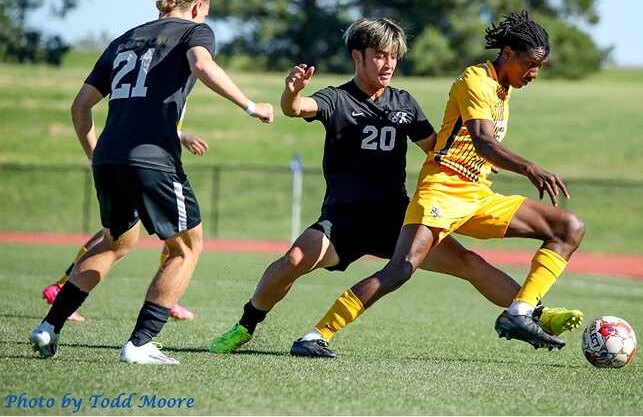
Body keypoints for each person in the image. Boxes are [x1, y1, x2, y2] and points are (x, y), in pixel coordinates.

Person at [209, 18, 582, 357]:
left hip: (396, 216)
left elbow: (438, 147)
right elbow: (296, 109)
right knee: (293, 261)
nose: (388, 64)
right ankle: (245, 326)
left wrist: (472, 163)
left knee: (469, 264)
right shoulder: (336, 99)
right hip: (344, 221)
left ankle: (534, 314)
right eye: (380, 56)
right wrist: (290, 93)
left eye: (393, 57)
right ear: (358, 55)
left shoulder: (404, 103)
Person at [29, 0, 273, 364]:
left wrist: (96, 155)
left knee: (116, 241)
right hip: (153, 158)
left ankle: (48, 327)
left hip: (109, 155)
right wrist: (250, 105)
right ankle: (140, 343)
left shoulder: (125, 38)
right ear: (197, 7)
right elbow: (202, 65)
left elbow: (80, 107)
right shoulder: (196, 32)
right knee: (186, 248)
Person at [41, 128, 209, 322]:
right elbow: (142, 118)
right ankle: (163, 303)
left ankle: (59, 294)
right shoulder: (170, 96)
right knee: (171, 232)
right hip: (147, 163)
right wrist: (247, 106)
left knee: (118, 234)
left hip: (132, 157)